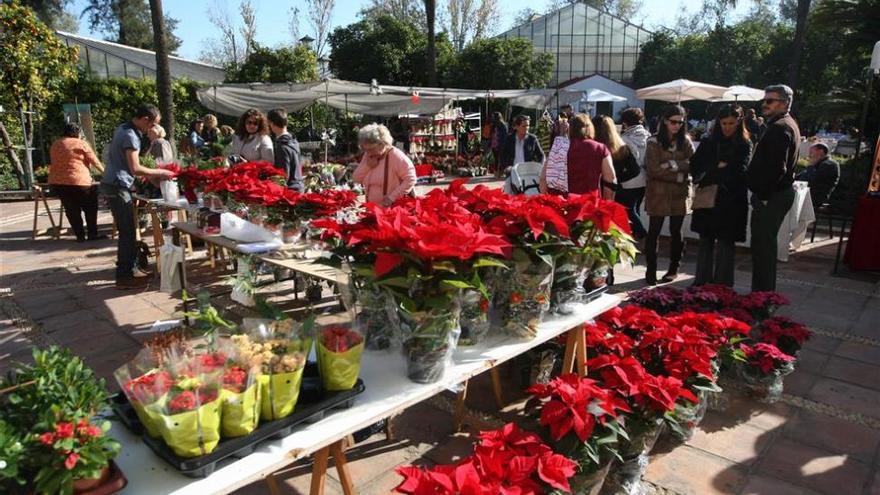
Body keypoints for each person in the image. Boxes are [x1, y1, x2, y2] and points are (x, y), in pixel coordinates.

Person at [99, 104, 175, 289]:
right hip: (118, 186)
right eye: (153, 125)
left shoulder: (123, 128)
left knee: (128, 230)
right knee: (127, 232)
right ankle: (124, 276)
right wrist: (159, 173)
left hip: (113, 183)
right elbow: (135, 167)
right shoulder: (131, 135)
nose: (153, 129)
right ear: (145, 120)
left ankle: (131, 270)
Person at [690, 104, 753, 287]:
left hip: (731, 201)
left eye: (731, 123)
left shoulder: (743, 143)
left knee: (726, 244)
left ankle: (722, 285)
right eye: (724, 123)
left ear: (738, 123)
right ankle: (701, 281)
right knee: (705, 242)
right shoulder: (709, 141)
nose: (727, 127)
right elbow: (695, 167)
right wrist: (717, 167)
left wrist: (717, 170)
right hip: (709, 199)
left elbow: (741, 172)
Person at [747, 84, 802, 292]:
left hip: (773, 195)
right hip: (775, 193)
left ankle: (762, 296)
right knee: (762, 247)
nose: (765, 104)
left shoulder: (781, 127)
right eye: (765, 100)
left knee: (763, 248)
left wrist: (764, 195)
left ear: (785, 103)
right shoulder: (782, 124)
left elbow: (777, 168)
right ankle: (761, 293)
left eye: (770, 101)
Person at [644, 105, 695, 285]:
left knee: (676, 232)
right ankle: (650, 270)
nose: (677, 126)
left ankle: (673, 269)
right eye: (673, 122)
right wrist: (680, 173)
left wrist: (673, 165)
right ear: (665, 121)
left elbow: (693, 163)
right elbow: (654, 170)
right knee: (654, 232)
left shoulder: (686, 141)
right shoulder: (653, 142)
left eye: (680, 122)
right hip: (658, 194)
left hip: (679, 194)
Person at [48, 123, 106, 242]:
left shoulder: (55, 144)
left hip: (58, 182)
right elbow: (94, 161)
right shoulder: (81, 143)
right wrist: (105, 173)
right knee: (90, 208)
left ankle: (80, 236)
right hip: (79, 181)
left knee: (71, 209)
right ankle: (92, 234)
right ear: (76, 133)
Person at [353, 123, 417, 206]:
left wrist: (392, 197)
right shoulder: (368, 155)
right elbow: (356, 178)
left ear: (382, 144)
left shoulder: (396, 156)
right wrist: (367, 166)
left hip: (392, 209)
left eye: (371, 149)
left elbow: (410, 179)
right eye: (365, 149)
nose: (368, 152)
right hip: (373, 207)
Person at [616, 108, 651, 240]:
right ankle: (635, 236)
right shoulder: (648, 136)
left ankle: (641, 233)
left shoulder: (623, 139)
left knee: (628, 210)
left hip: (628, 179)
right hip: (644, 179)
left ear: (625, 123)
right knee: (636, 209)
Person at [565, 113, 616, 199]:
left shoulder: (561, 148)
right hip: (591, 201)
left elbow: (544, 178)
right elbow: (610, 177)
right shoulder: (600, 148)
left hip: (565, 200)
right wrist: (608, 202)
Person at [267, 108, 304, 191]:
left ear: (272, 124)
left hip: (291, 190)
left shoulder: (282, 146)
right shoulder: (294, 141)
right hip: (299, 186)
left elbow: (283, 175)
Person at [796, 142, 840, 208]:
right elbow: (799, 177)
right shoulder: (817, 164)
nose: (809, 155)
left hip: (814, 198)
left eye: (811, 152)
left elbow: (814, 179)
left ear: (821, 151)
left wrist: (811, 166)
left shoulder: (830, 164)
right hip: (803, 194)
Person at [490, 112, 508, 177]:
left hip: (500, 144)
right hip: (494, 144)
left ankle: (501, 172)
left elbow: (504, 136)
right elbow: (491, 135)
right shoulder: (494, 125)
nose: (492, 118)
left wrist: (503, 145)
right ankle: (497, 173)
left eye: (493, 117)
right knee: (496, 159)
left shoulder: (503, 125)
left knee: (501, 159)